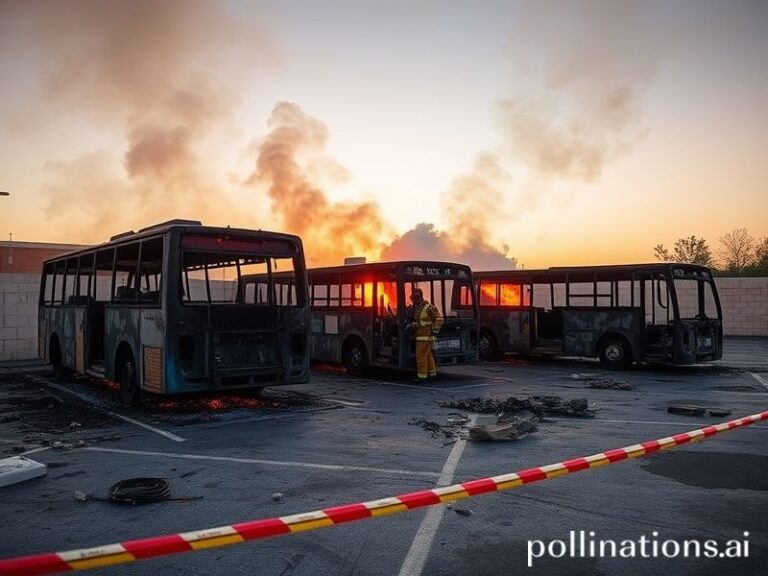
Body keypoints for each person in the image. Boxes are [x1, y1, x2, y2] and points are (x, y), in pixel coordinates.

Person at [406, 287, 443, 381]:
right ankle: (432, 373)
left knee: (421, 356)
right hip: (422, 337)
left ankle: (422, 376)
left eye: (414, 299)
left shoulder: (428, 307)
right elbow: (420, 321)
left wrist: (434, 333)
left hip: (424, 338)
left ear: (419, 297)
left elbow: (439, 320)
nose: (413, 301)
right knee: (428, 355)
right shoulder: (420, 308)